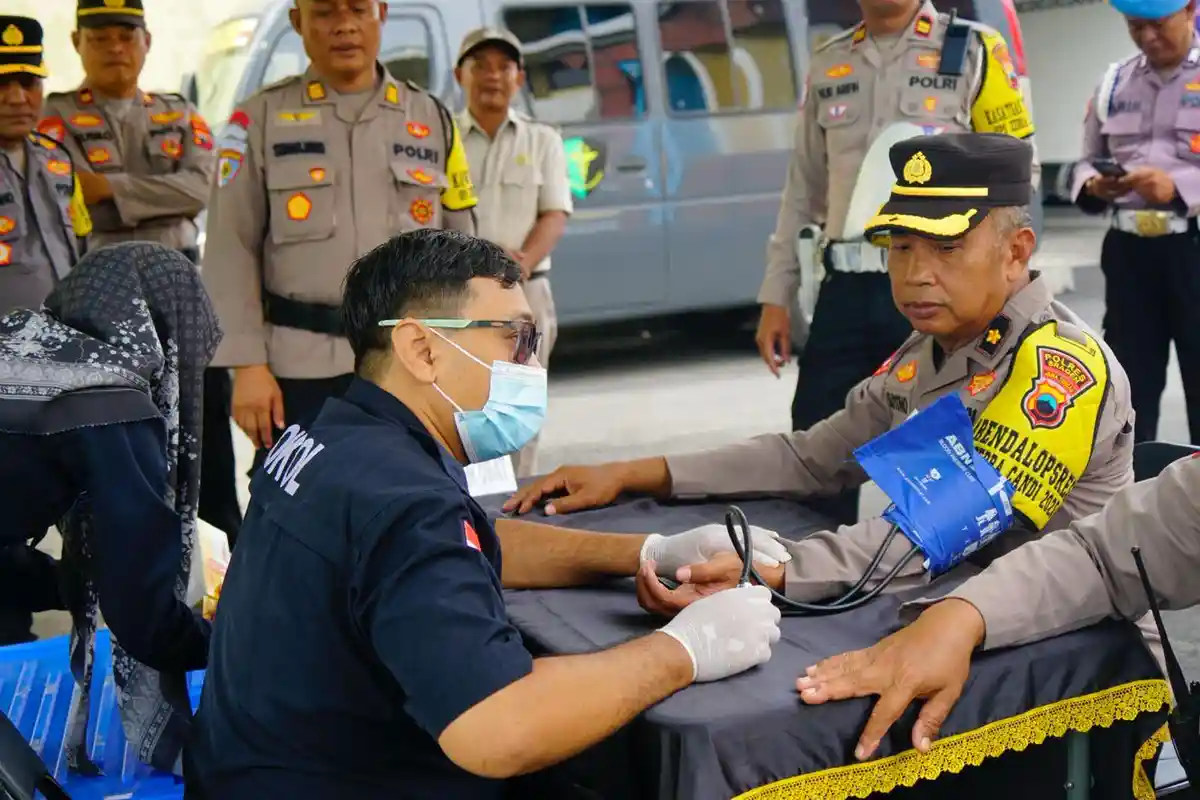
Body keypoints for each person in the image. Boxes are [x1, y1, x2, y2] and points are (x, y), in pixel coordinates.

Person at [185, 229, 788, 798]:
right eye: (516, 339)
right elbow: (495, 725)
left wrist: (647, 551)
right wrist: (685, 650)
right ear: (422, 348)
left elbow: (457, 543)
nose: (532, 365)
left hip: (251, 767)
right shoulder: (404, 501)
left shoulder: (334, 439)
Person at [506, 134, 1140, 627]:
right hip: (949, 606)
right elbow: (813, 458)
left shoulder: (1059, 370)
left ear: (1017, 251)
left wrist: (772, 571)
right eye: (901, 248)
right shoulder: (933, 347)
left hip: (1070, 641)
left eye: (946, 249)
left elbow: (932, 529)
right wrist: (636, 473)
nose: (916, 273)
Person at [755, 0, 1039, 526]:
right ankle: (805, 581)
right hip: (847, 285)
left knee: (934, 459)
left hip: (938, 287)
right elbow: (803, 191)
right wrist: (777, 294)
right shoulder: (828, 62)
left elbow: (1020, 170)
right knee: (816, 451)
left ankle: (935, 589)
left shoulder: (973, 49)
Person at [202, 0, 479, 477]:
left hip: (409, 363)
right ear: (298, 23)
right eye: (326, 12)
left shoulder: (432, 118)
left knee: (415, 502)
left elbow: (463, 246)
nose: (345, 25)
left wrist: (463, 354)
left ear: (383, 13)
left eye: (358, 9)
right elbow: (231, 247)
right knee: (303, 510)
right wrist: (246, 367)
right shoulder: (257, 121)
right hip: (300, 369)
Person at [793, 450, 1200, 764]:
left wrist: (791, 567)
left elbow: (948, 518)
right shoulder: (917, 357)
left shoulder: (1054, 369)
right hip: (1025, 606)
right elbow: (1100, 556)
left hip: (1091, 660)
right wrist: (959, 616)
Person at [0, 241, 219, 773]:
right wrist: (226, 640)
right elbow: (139, 611)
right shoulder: (109, 400)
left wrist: (63, 583)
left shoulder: (25, 339)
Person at [36, 0, 237, 544]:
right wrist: (158, 197)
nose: (115, 48)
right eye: (99, 38)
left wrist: (111, 189)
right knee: (114, 443)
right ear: (78, 44)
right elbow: (63, 192)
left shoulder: (178, 113)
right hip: (97, 310)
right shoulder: (48, 118)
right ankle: (109, 564)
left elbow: (202, 188)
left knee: (204, 435)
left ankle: (220, 556)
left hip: (180, 298)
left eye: (126, 35)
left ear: (146, 41)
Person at [1072, 0, 1200, 445]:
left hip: (1193, 250)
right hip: (1129, 255)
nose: (1147, 37)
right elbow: (1085, 161)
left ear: (1190, 10)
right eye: (1135, 26)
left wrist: (1180, 186)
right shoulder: (1113, 82)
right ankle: (1135, 498)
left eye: (1158, 25)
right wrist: (1092, 185)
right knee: (1129, 386)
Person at [454, 26, 571, 478]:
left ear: (519, 78)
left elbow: (555, 212)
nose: (492, 76)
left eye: (504, 66)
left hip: (526, 294)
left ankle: (516, 502)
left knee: (519, 406)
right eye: (479, 65)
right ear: (459, 75)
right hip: (459, 299)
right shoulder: (444, 138)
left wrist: (518, 261)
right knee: (462, 403)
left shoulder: (542, 139)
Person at [0, 15, 91, 317]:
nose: (17, 98)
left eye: (29, 83)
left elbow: (81, 246)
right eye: (1, 83)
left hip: (64, 345)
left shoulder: (58, 161)